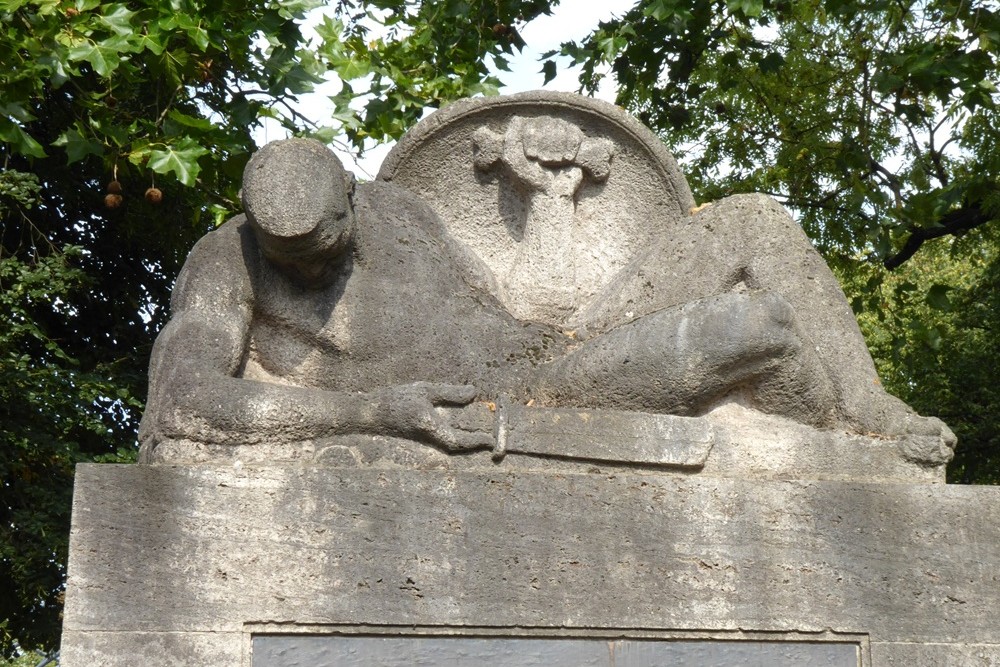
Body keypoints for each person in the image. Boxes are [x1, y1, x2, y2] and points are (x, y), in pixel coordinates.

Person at [139, 138, 953, 462]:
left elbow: (500, 297)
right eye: (293, 258)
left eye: (325, 245)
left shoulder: (397, 212)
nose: (312, 269)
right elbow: (184, 399)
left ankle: (869, 407)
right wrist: (374, 412)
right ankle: (838, 446)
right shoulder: (226, 261)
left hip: (557, 351)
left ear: (348, 201)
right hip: (533, 397)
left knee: (751, 222)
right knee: (759, 331)